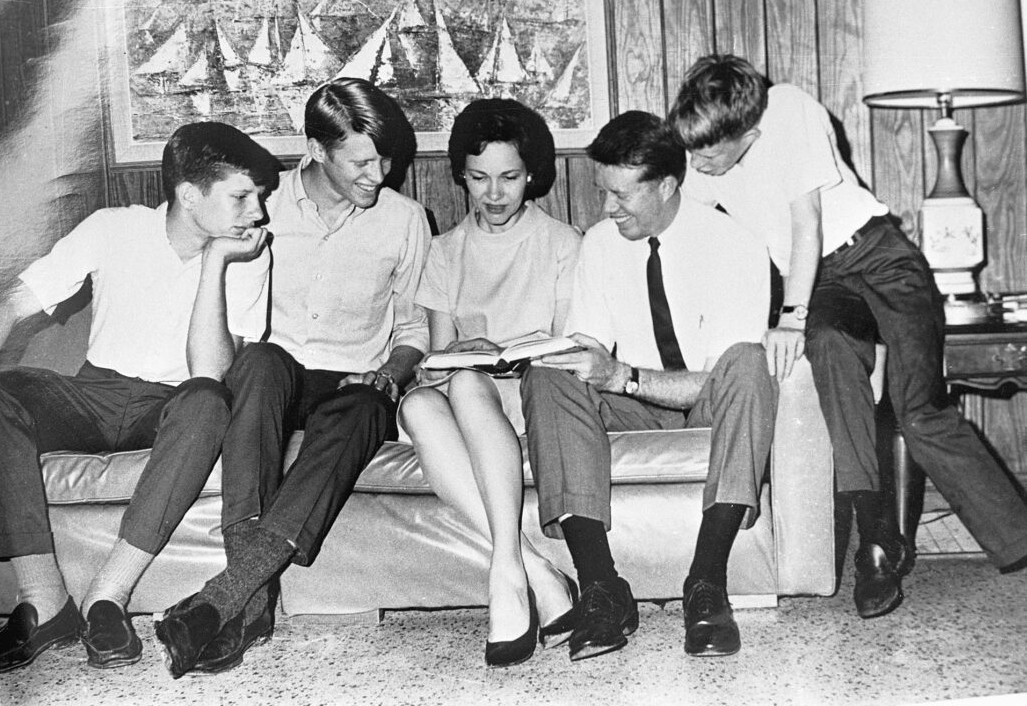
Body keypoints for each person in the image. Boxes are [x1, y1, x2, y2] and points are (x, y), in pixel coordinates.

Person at [667, 53, 1027, 620]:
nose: (697, 164)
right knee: (832, 348)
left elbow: (806, 225)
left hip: (879, 257)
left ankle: (1018, 543)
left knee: (918, 408)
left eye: (706, 153)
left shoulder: (788, 108)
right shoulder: (703, 162)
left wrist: (789, 318)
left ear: (749, 135)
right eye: (689, 149)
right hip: (824, 284)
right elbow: (672, 214)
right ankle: (878, 543)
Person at [153, 77, 431, 679]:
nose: (378, 175)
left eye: (386, 159)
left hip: (355, 380)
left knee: (363, 407)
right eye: (361, 160)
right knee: (256, 364)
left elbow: (413, 329)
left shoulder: (407, 221)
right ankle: (244, 601)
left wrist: (389, 372)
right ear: (315, 149)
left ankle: (228, 604)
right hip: (274, 372)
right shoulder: (260, 209)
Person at [0, 121, 279, 672]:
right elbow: (11, 307)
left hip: (170, 406)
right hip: (93, 391)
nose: (257, 213)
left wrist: (215, 262)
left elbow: (208, 373)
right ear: (190, 195)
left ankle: (106, 596)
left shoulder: (246, 255)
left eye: (257, 197)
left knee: (208, 402)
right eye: (242, 196)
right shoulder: (112, 227)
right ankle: (43, 599)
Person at [520, 111, 774, 661]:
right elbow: (588, 346)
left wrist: (622, 376)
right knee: (548, 375)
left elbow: (720, 377)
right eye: (603, 192)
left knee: (750, 363)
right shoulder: (600, 245)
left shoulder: (735, 245)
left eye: (621, 195)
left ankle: (706, 585)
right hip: (633, 404)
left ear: (665, 185)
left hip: (708, 404)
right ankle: (601, 589)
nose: (607, 209)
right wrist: (533, 351)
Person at [397, 98, 581, 667]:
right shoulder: (446, 250)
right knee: (421, 406)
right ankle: (528, 567)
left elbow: (570, 347)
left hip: (530, 397)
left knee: (466, 387)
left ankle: (508, 581)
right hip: (463, 400)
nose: (495, 194)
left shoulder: (563, 243)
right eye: (479, 179)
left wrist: (513, 353)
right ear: (462, 177)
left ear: (533, 175)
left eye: (510, 177)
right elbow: (435, 355)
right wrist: (461, 353)